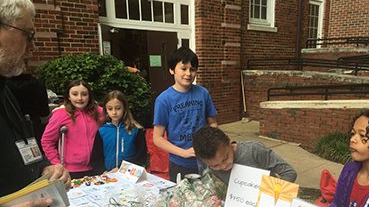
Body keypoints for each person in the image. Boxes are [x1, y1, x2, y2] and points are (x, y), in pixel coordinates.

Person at [0, 0, 71, 207]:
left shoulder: (6, 90)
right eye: (27, 34)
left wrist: (45, 168)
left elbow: (23, 148)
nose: (33, 46)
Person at [153, 46, 218, 182]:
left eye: (192, 69)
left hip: (206, 160)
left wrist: (212, 143)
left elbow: (212, 123)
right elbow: (157, 138)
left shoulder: (203, 93)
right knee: (182, 201)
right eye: (183, 68)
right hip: (180, 164)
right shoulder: (164, 99)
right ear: (172, 70)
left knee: (208, 200)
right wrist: (184, 153)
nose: (188, 73)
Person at [192, 125, 297, 186]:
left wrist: (271, 194)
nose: (223, 166)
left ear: (228, 140)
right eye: (215, 165)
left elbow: (289, 173)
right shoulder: (214, 168)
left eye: (225, 158)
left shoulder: (254, 150)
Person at [42, 79, 103, 179]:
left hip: (96, 167)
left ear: (89, 96)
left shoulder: (98, 112)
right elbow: (47, 141)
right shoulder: (61, 114)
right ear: (69, 97)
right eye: (75, 94)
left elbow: (115, 117)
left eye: (84, 94)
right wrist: (57, 164)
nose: (80, 98)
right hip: (71, 170)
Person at [90, 90, 147, 174]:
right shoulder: (102, 131)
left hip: (130, 175)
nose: (114, 112)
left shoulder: (136, 129)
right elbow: (96, 158)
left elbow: (141, 156)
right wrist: (104, 172)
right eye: (110, 108)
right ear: (105, 109)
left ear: (124, 108)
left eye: (118, 108)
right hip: (108, 175)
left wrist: (121, 168)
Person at [6, 72, 50, 151]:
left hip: (10, 130)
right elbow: (44, 112)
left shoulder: (5, 87)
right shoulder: (38, 84)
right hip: (34, 128)